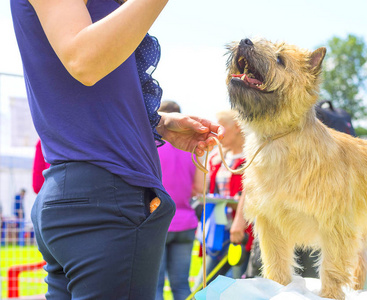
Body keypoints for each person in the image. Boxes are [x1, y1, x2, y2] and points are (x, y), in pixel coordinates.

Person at [10, 1, 224, 299]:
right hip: (105, 200)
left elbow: (87, 91)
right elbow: (83, 59)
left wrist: (159, 123)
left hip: (85, 195)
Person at [194, 110, 253, 287]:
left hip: (242, 233)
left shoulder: (251, 159)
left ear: (237, 127)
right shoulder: (216, 159)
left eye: (221, 128)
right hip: (218, 232)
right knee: (202, 288)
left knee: (238, 287)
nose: (216, 133)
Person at [155, 100, 204, 300]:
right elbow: (200, 188)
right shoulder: (191, 149)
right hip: (186, 221)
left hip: (158, 221)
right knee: (182, 286)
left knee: (154, 286)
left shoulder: (153, 145)